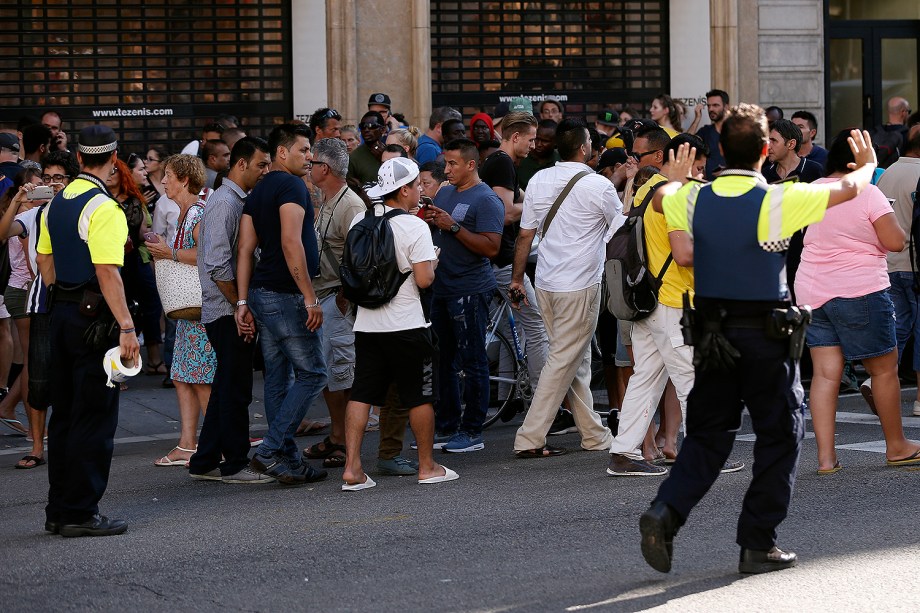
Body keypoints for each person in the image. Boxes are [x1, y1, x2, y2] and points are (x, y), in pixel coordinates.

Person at [639, 104, 879, 575]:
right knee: (780, 434)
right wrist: (868, 164)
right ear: (766, 150)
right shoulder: (780, 201)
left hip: (711, 337)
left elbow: (658, 196)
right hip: (767, 339)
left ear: (721, 149)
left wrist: (679, 177)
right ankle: (757, 542)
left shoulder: (692, 198)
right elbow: (851, 187)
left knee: (707, 436)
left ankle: (666, 510)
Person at [795, 130, 920, 474]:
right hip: (859, 288)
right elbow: (896, 242)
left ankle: (825, 458)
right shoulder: (868, 193)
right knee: (883, 369)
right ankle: (897, 446)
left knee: (824, 374)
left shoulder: (813, 190)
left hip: (811, 288)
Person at [36, 124, 138, 537]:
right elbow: (108, 272)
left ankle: (59, 509)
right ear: (113, 161)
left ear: (78, 159)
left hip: (60, 316)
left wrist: (67, 294)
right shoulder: (105, 209)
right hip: (94, 321)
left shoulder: (55, 206)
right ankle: (81, 512)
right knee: (94, 417)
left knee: (64, 416)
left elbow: (45, 265)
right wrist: (128, 327)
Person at [341, 157, 458, 490]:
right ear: (403, 189)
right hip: (408, 325)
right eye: (417, 186)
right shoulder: (414, 226)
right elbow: (423, 281)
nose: (420, 190)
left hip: (366, 324)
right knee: (419, 396)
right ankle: (427, 466)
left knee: (362, 394)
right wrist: (432, 261)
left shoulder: (359, 221)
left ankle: (352, 469)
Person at [508, 118, 620, 457]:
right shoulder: (598, 186)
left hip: (546, 281)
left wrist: (516, 279)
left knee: (574, 359)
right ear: (585, 149)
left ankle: (594, 435)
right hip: (580, 283)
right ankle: (530, 437)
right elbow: (619, 229)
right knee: (565, 359)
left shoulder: (540, 179)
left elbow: (525, 235)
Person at [236, 123, 329, 485]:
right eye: (304, 150)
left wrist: (243, 300)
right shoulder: (290, 185)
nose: (310, 157)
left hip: (262, 294)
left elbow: (245, 249)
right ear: (281, 152)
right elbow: (291, 243)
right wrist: (310, 298)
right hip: (286, 296)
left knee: (278, 378)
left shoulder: (258, 191)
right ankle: (271, 449)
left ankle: (286, 460)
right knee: (314, 373)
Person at [188, 136, 273, 483]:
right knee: (235, 389)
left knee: (226, 386)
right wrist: (241, 304)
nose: (265, 170)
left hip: (228, 308)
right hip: (226, 311)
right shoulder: (226, 202)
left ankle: (204, 461)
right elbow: (218, 265)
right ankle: (235, 463)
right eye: (260, 165)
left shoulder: (235, 199)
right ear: (241, 164)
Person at [424, 138, 504, 452]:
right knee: (442, 361)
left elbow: (492, 247)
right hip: (440, 288)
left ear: (471, 164)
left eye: (453, 163)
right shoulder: (444, 191)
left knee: (473, 362)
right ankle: (446, 426)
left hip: (470, 290)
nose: (447, 169)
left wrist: (453, 226)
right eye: (446, 163)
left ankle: (472, 431)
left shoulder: (487, 199)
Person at [145, 155, 217, 467]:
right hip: (188, 312)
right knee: (182, 375)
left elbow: (206, 255)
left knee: (200, 378)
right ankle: (188, 444)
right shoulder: (188, 212)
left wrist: (168, 252)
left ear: (185, 180)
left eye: (169, 176)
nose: (163, 181)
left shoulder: (198, 213)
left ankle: (217, 444)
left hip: (199, 311)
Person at [299, 137, 366, 470]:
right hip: (323, 297)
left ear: (323, 169)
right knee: (330, 375)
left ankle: (346, 443)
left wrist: (344, 297)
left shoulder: (350, 205)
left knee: (343, 374)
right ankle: (338, 436)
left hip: (338, 301)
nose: (308, 167)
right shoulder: (327, 199)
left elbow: (362, 257)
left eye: (311, 163)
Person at [479, 111, 549, 407]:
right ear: (515, 137)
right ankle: (546, 403)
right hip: (504, 261)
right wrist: (537, 206)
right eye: (531, 139)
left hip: (495, 259)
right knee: (537, 328)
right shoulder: (503, 162)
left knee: (514, 327)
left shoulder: (498, 162)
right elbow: (506, 212)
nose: (533, 146)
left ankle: (508, 396)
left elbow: (515, 199)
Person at [0, 170, 48, 466]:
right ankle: (34, 432)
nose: (41, 188)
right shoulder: (25, 215)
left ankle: (7, 406)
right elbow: (30, 266)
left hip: (28, 292)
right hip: (26, 291)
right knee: (34, 361)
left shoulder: (41, 212)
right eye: (37, 184)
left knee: (33, 359)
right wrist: (20, 200)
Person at [106, 157, 164, 381]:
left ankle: (154, 359)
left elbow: (141, 234)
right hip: (111, 260)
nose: (110, 175)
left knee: (151, 304)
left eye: (115, 172)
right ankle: (117, 368)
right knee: (116, 311)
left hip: (135, 259)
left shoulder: (134, 200)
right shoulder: (100, 200)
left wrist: (153, 239)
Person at [875, 131, 920, 416]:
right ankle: (919, 400)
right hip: (915, 265)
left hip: (890, 262)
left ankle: (877, 383)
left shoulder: (886, 174)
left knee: (898, 328)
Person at [762, 119, 823, 183]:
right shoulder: (766, 174)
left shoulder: (814, 170)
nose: (768, 147)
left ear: (791, 144)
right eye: (768, 141)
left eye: (774, 141)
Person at [693, 89, 729, 179]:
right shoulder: (705, 131)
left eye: (715, 105)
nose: (711, 109)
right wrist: (697, 119)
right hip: (709, 186)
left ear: (726, 107)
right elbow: (686, 142)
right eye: (709, 106)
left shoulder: (737, 132)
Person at [518, 119, 560, 190]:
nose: (539, 144)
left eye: (545, 141)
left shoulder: (560, 162)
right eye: (536, 139)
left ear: (555, 142)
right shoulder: (520, 159)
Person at [348, 111, 387, 184]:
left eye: (371, 126)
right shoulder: (354, 157)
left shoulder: (392, 152)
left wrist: (383, 161)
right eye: (363, 126)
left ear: (383, 129)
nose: (366, 130)